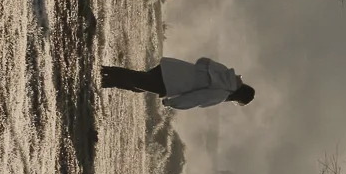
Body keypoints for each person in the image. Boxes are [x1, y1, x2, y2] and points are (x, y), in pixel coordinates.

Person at [101, 57, 254, 110]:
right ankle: (100, 75)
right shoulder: (222, 93)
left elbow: (202, 62)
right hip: (170, 83)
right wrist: (171, 102)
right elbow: (197, 98)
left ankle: (102, 74)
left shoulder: (225, 73)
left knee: (137, 84)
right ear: (238, 97)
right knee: (135, 80)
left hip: (171, 67)